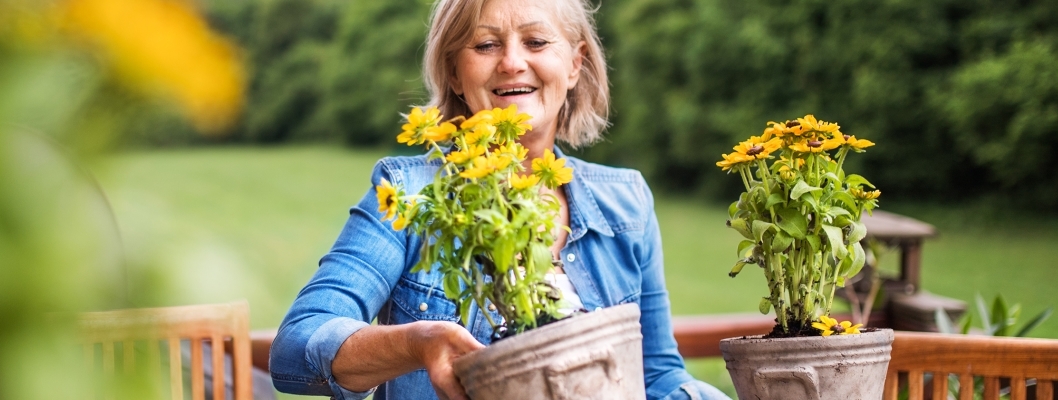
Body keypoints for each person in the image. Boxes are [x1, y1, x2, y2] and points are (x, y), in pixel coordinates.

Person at [269, 0, 730, 399]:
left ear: (575, 63)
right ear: (453, 71)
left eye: (535, 42)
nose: (511, 62)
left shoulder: (626, 202)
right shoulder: (408, 194)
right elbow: (296, 347)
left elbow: (658, 375)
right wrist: (419, 343)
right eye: (485, 45)